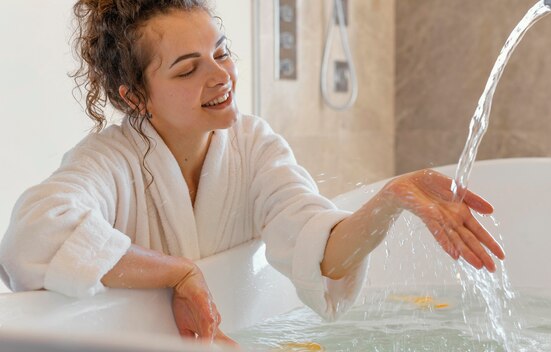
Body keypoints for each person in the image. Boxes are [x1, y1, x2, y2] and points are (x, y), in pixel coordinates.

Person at [0, 0, 505, 347]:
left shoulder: (253, 147)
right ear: (135, 96)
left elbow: (318, 246)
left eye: (220, 52)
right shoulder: (111, 160)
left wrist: (390, 201)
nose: (220, 76)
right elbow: (33, 235)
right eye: (187, 68)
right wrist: (177, 272)